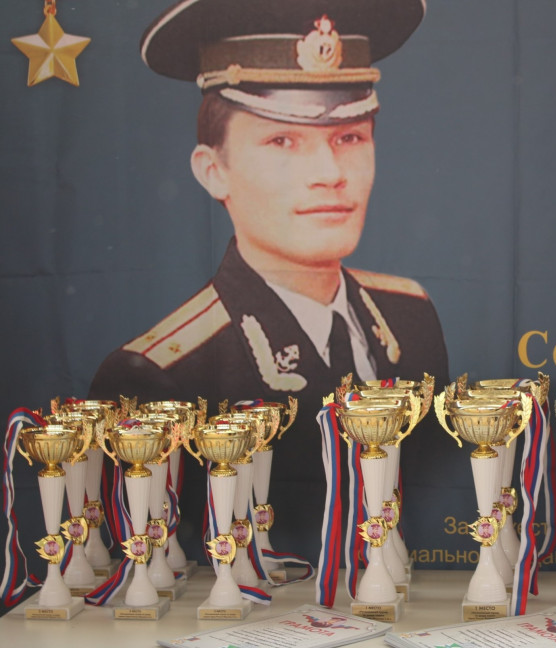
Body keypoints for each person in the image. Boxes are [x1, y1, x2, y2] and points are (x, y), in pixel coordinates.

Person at [89, 0, 449, 567]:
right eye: (283, 141)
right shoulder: (160, 373)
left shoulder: (411, 318)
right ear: (214, 171)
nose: (330, 174)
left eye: (349, 138)